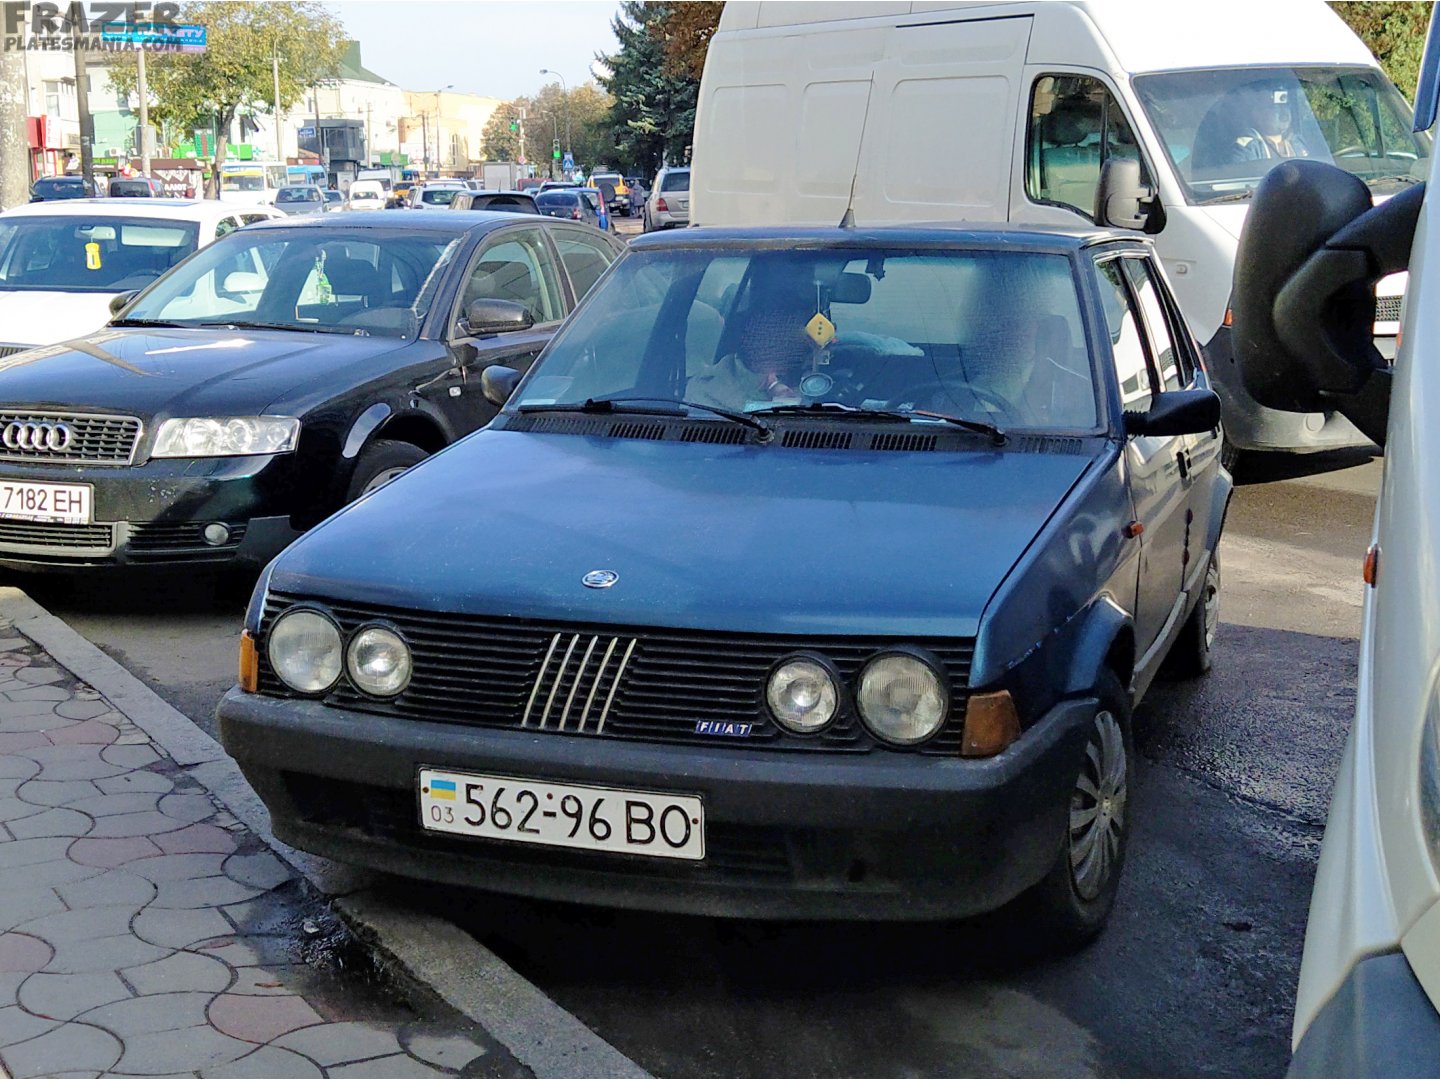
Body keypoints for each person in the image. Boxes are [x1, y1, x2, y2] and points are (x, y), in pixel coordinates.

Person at [1194, 82, 1310, 170]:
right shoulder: (1246, 148)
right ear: (1256, 114)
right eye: (1271, 107)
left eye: (1285, 106)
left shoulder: (1298, 143)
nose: (1283, 112)